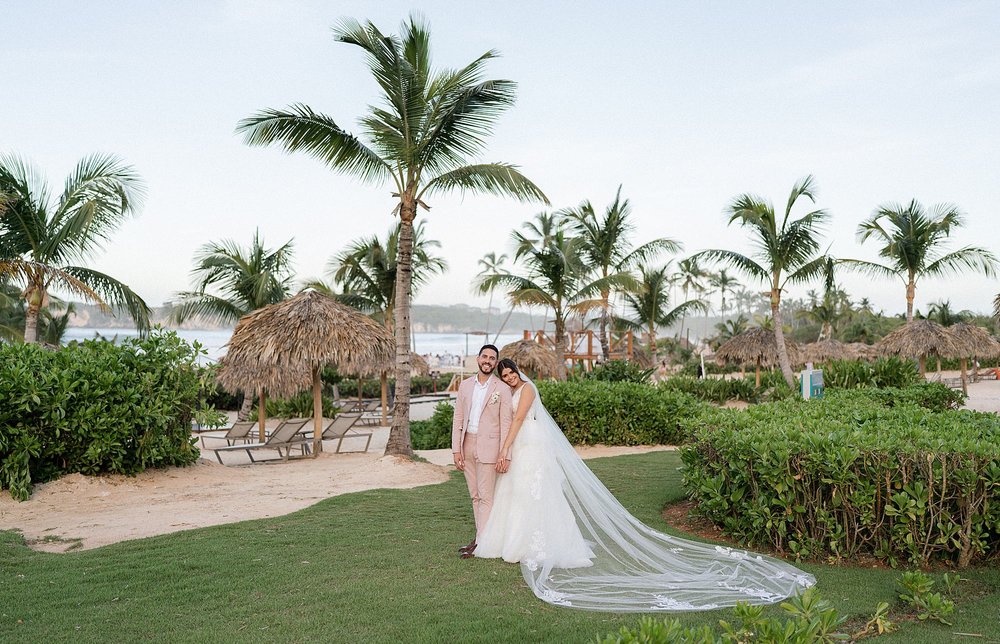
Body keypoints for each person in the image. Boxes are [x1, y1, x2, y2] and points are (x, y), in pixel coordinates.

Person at [474, 358, 816, 612]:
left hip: (529, 444)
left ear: (519, 372)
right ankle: (514, 541)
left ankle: (540, 542)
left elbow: (518, 420)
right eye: (504, 375)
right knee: (519, 494)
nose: (509, 378)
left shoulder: (529, 390)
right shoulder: (511, 391)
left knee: (536, 493)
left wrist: (505, 448)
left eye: (511, 373)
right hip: (520, 445)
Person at [451, 344, 513, 559]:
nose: (488, 360)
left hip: (490, 447)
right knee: (475, 496)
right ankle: (481, 538)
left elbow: (506, 423)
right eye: (484, 356)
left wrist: (504, 454)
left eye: (492, 358)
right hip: (467, 444)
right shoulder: (465, 386)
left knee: (486, 497)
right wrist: (455, 450)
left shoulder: (502, 389)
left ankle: (481, 542)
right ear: (478, 359)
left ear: (496, 363)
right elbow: (458, 418)